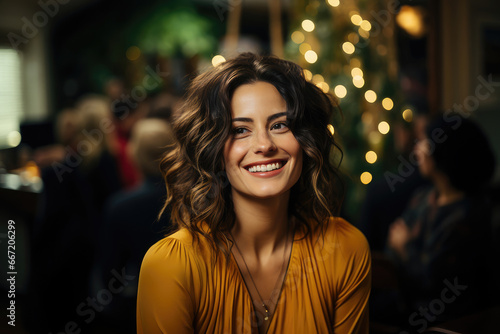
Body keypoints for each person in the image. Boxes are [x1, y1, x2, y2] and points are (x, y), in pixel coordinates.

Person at [136, 53, 371, 334]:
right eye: (240, 130)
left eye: (279, 125)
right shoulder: (171, 265)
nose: (264, 145)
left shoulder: (344, 249)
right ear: (213, 150)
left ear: (305, 140)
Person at [386, 114, 497, 326]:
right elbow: (394, 244)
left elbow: (433, 279)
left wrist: (406, 246)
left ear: (445, 153)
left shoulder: (469, 215)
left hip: (444, 323)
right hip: (405, 305)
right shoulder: (423, 197)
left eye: (425, 144)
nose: (417, 150)